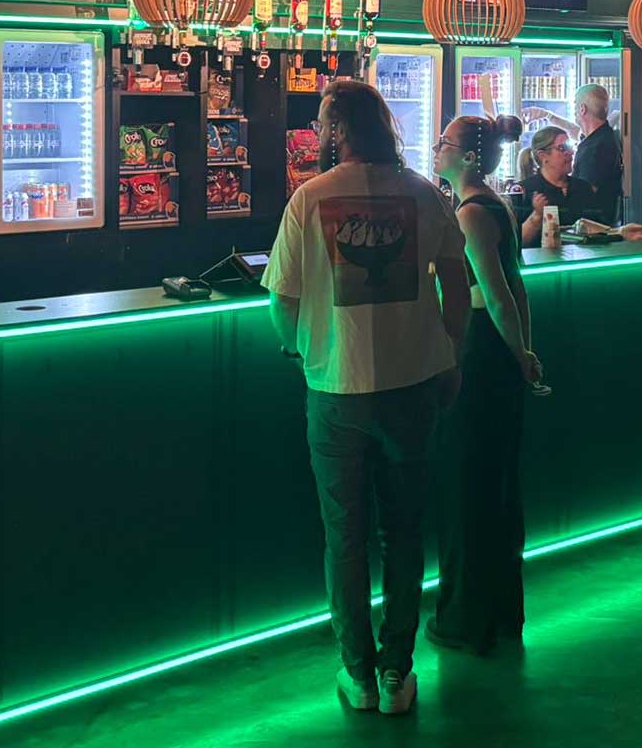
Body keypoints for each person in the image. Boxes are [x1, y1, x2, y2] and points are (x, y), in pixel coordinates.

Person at [261, 80, 471, 714]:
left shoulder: (311, 198)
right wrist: (451, 355)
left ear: (337, 130)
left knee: (344, 537)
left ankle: (355, 670)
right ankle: (396, 673)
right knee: (404, 534)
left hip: (336, 390)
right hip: (414, 386)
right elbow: (457, 288)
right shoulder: (423, 194)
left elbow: (282, 300)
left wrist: (299, 349)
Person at [427, 114, 541, 654]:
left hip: (477, 349)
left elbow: (492, 295)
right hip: (499, 352)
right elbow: (517, 291)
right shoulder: (496, 206)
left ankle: (463, 617)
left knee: (466, 483)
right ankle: (499, 611)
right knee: (498, 484)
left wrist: (515, 351)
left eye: (445, 142)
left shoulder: (469, 215)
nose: (436, 147)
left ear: (469, 157)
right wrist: (524, 350)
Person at [525, 84, 622, 220]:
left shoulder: (595, 150)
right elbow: (575, 131)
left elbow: (585, 195)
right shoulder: (601, 137)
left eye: (575, 106)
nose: (569, 153)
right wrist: (547, 115)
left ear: (582, 109)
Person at [518, 127, 609, 246]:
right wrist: (537, 216)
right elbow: (516, 242)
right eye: (562, 148)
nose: (570, 153)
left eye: (570, 147)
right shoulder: (526, 190)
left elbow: (601, 230)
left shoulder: (583, 188)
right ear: (543, 156)